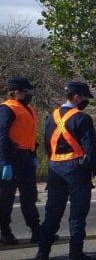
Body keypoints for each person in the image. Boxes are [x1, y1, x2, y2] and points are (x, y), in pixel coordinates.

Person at [36, 81, 96, 260]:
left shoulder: (51, 117)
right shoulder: (82, 118)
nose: (85, 101)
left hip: (54, 168)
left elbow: (46, 144)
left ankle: (42, 253)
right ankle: (76, 253)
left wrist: (54, 163)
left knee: (52, 213)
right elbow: (91, 147)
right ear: (76, 96)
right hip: (75, 169)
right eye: (84, 97)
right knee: (77, 214)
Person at [0, 77, 40, 245]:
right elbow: (1, 137)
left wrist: (33, 155)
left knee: (29, 196)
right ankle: (5, 232)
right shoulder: (7, 109)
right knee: (5, 198)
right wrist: (5, 162)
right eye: (27, 92)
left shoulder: (29, 108)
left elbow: (29, 134)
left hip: (26, 157)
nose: (30, 94)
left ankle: (37, 231)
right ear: (16, 92)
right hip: (11, 158)